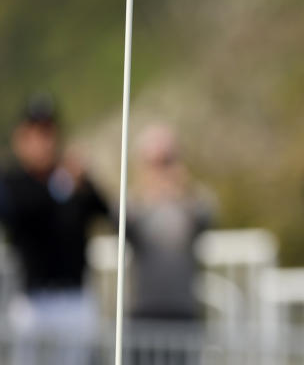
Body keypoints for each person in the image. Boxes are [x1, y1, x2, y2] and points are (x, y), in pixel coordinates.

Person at [0, 95, 111, 365]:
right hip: (33, 303)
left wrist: (84, 180)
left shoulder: (73, 178)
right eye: (36, 133)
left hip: (75, 301)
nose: (44, 141)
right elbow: (17, 213)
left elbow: (105, 212)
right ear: (22, 138)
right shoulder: (14, 181)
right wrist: (60, 186)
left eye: (48, 132)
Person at [126, 123, 215, 365]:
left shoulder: (191, 204)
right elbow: (120, 220)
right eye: (155, 162)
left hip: (182, 314)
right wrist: (146, 187)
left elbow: (207, 215)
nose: (161, 168)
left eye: (167, 160)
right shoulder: (135, 204)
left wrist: (181, 186)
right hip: (144, 315)